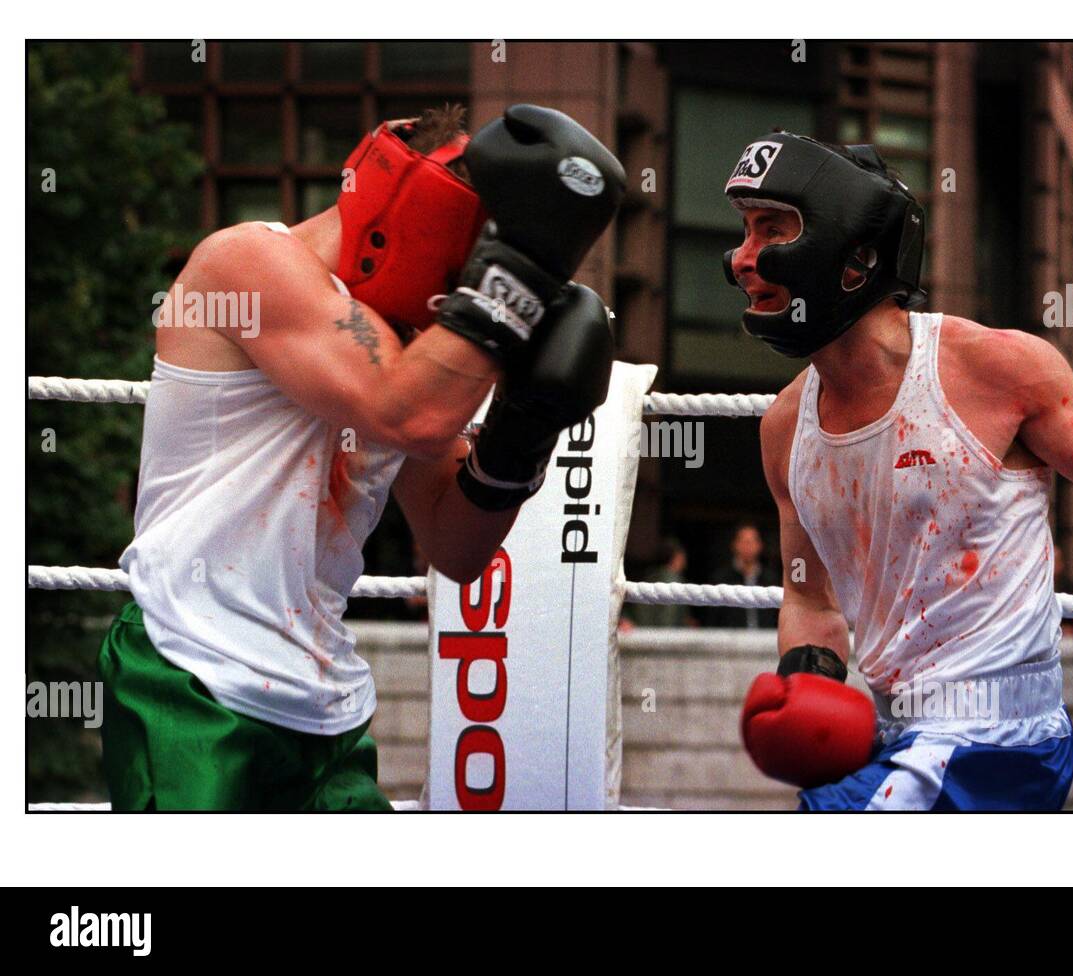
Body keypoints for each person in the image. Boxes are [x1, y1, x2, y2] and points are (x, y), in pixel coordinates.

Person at [98, 104, 625, 810]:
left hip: (327, 707)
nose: (463, 288)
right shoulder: (249, 262)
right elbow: (405, 412)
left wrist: (523, 431)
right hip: (192, 674)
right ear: (424, 205)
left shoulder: (409, 348)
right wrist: (524, 267)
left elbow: (454, 545)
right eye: (472, 261)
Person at [727, 131, 1073, 810]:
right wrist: (807, 679)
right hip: (895, 736)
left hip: (1001, 738)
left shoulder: (993, 368)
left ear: (851, 254)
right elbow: (810, 596)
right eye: (744, 232)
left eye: (771, 229)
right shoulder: (785, 428)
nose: (742, 259)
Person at [704, 523, 779, 629]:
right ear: (735, 544)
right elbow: (712, 618)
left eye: (752, 541)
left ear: (760, 545)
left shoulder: (771, 579)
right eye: (744, 541)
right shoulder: (721, 578)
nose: (748, 546)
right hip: (729, 642)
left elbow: (777, 616)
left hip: (767, 641)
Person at [624, 538, 695, 628]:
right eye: (682, 556)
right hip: (658, 635)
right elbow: (667, 617)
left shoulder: (650, 575)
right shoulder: (672, 579)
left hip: (643, 632)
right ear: (677, 557)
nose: (685, 560)